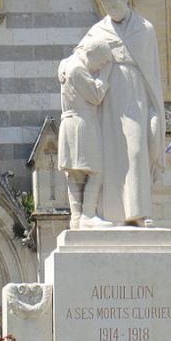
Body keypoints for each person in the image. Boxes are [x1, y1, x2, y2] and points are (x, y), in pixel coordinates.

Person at [77, 0, 166, 226]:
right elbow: (80, 57)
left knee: (136, 150)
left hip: (135, 93)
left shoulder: (144, 29)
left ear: (125, 1)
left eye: (114, 4)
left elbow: (153, 73)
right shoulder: (98, 30)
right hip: (107, 97)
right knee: (110, 154)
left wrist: (154, 108)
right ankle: (110, 214)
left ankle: (138, 212)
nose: (110, 9)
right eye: (106, 6)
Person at [58, 38, 114, 229]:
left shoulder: (64, 64)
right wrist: (104, 77)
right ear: (90, 53)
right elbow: (96, 96)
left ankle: (76, 218)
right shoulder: (78, 68)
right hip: (82, 123)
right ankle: (87, 215)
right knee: (97, 170)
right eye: (99, 62)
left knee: (74, 174)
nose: (99, 67)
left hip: (68, 123)